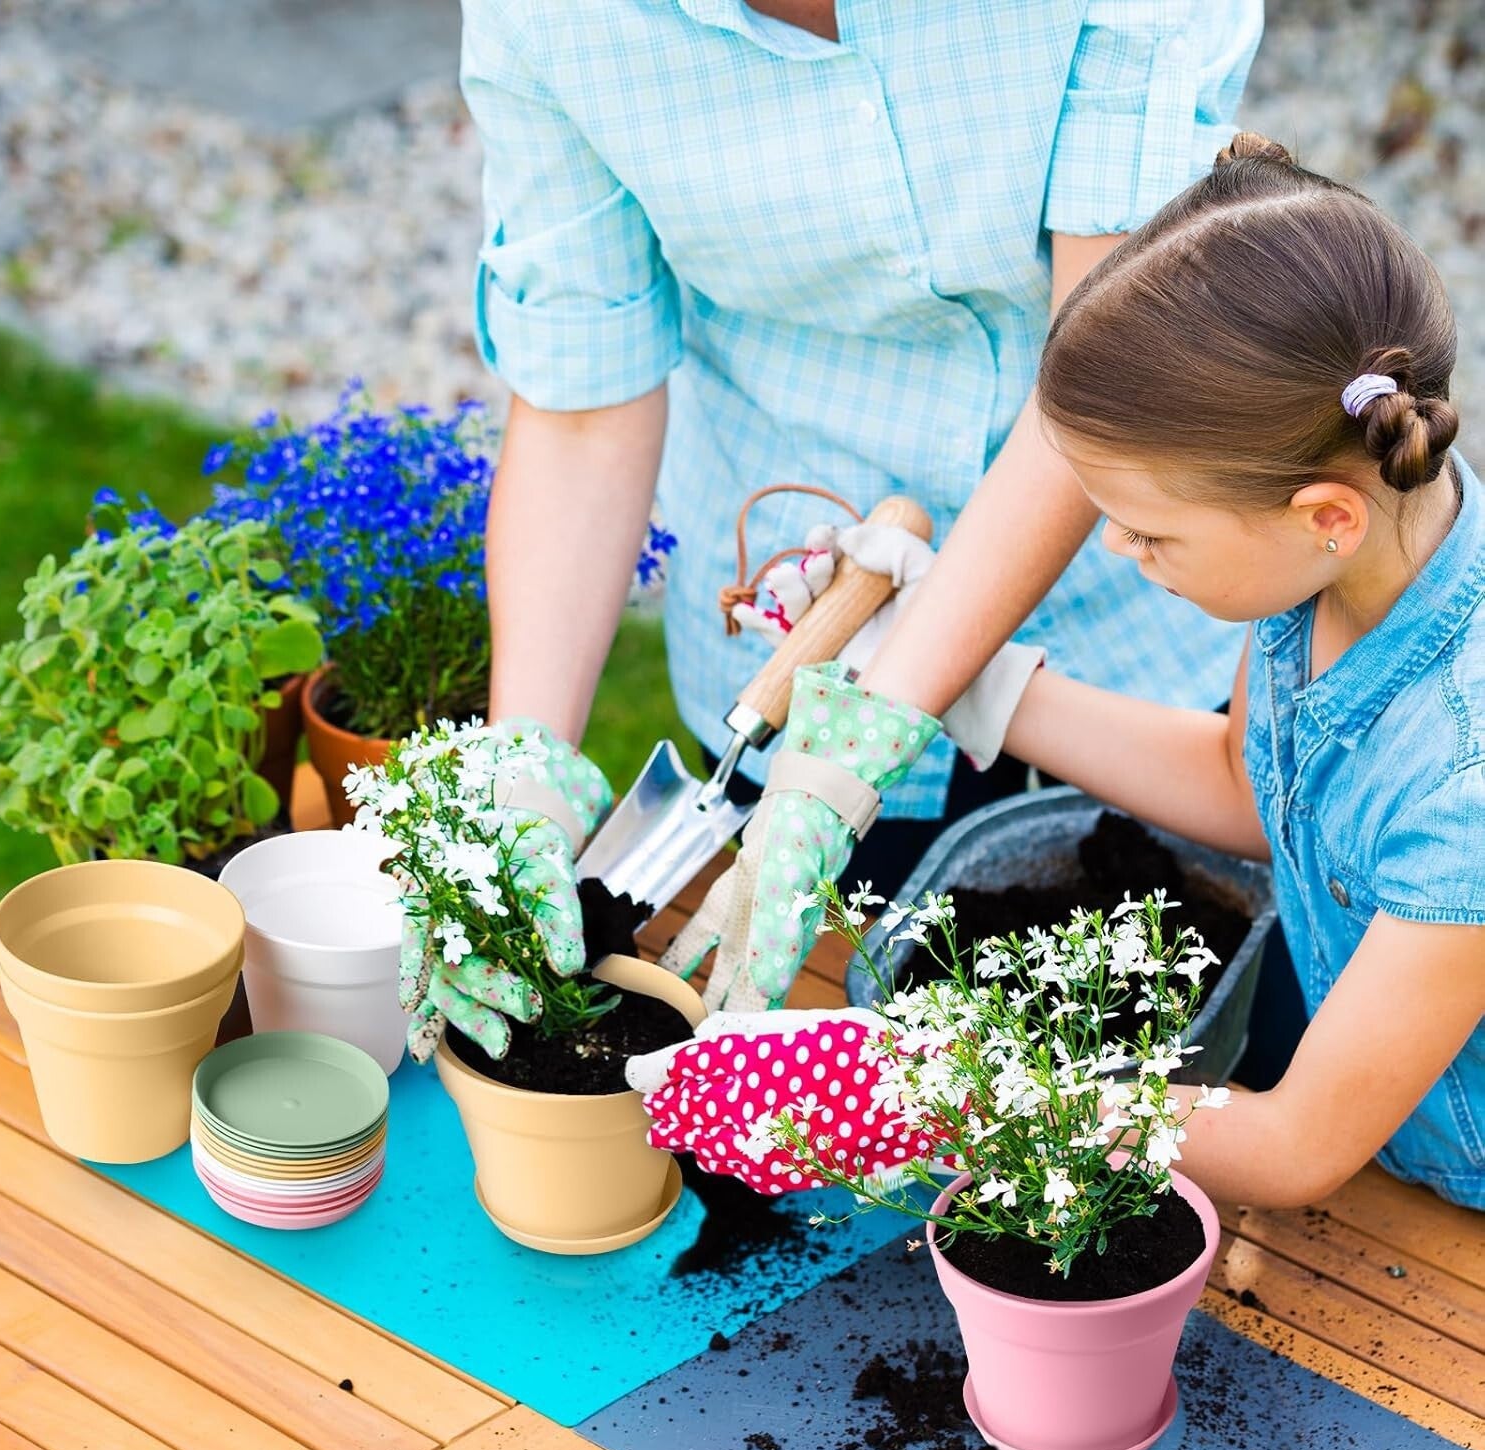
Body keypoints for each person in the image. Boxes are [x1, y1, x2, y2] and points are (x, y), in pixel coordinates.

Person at [634, 132, 1485, 1209]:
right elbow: (1243, 784)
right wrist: (969, 678)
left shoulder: (1464, 780)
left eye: (1152, 534)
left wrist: (943, 1090)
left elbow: (1292, 1149)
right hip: (1394, 1140)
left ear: (1325, 516)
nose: (1119, 551)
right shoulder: (1346, 537)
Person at [410, 1, 1267, 1044]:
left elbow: (1100, 369)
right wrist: (525, 765)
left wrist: (864, 736)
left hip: (1137, 630)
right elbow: (585, 413)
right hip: (803, 653)